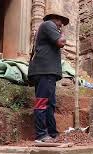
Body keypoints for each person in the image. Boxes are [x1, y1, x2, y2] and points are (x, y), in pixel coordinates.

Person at [28, 11, 69, 143]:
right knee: (42, 102)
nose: (61, 25)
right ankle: (41, 135)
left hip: (48, 72)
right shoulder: (48, 24)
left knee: (50, 104)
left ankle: (52, 133)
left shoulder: (48, 26)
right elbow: (61, 42)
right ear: (54, 18)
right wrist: (62, 32)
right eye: (60, 21)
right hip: (44, 71)